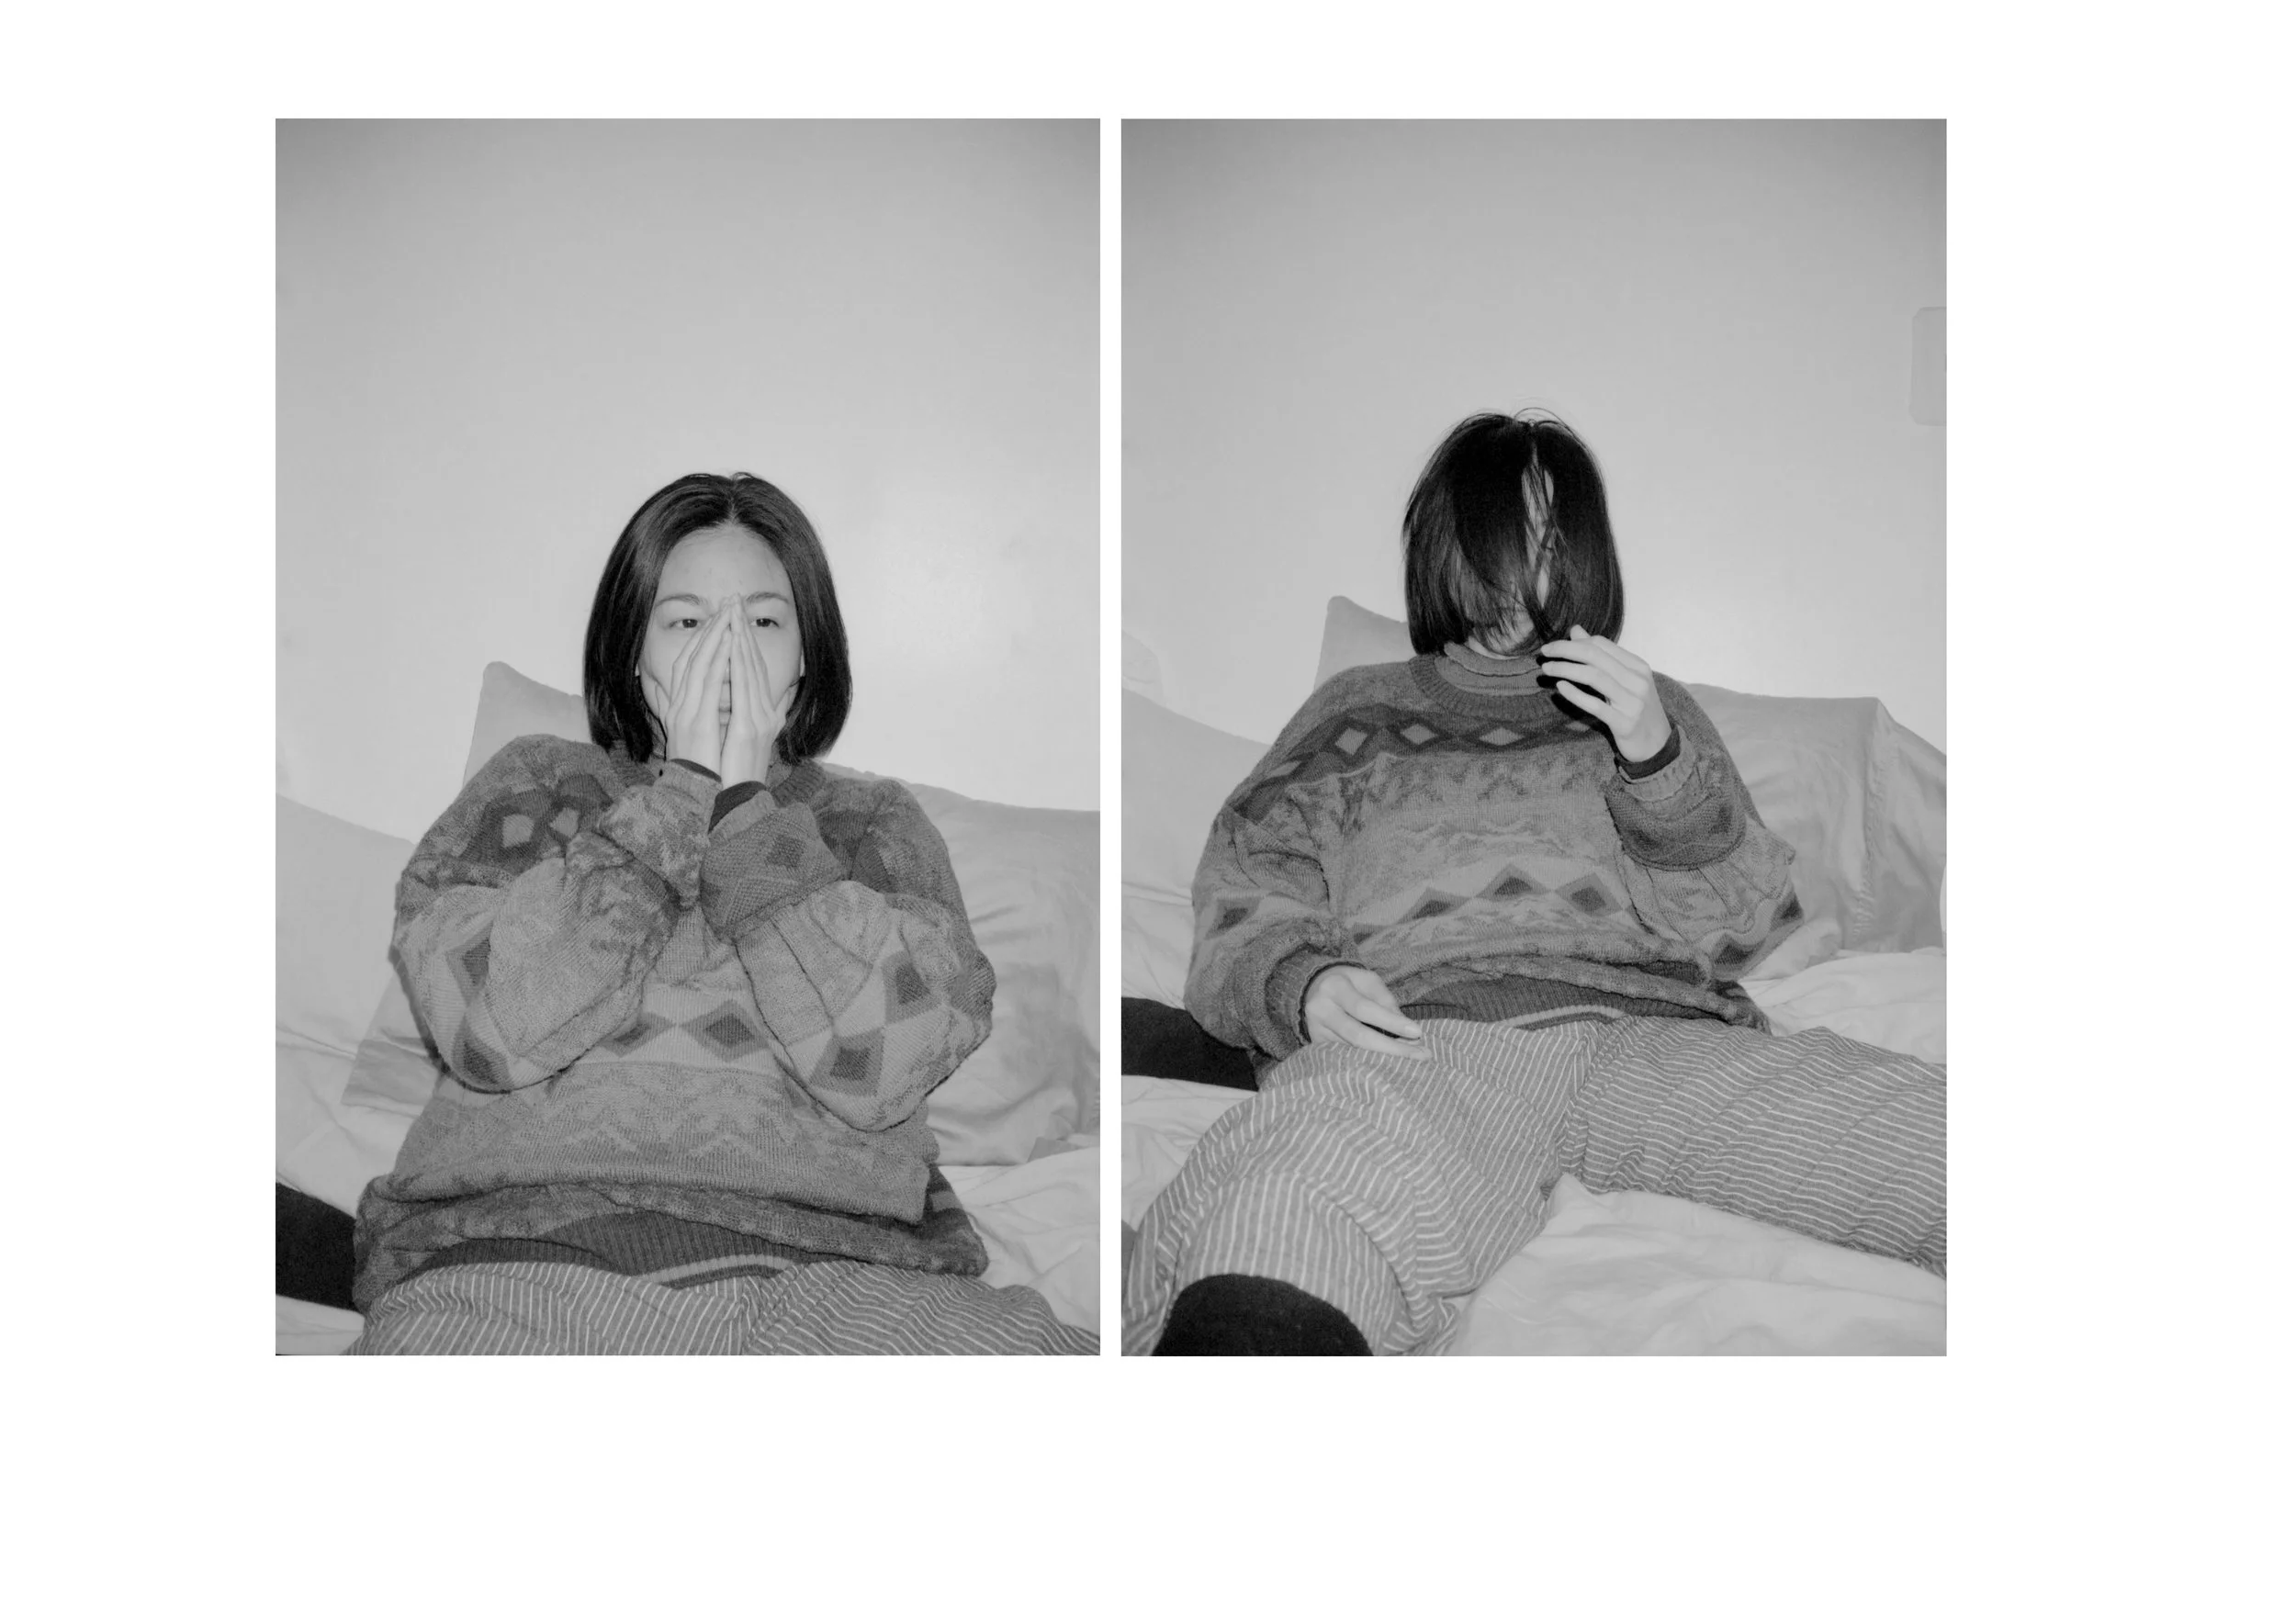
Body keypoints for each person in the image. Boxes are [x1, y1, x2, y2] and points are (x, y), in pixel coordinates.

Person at [1123, 412, 1945, 1355]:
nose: (1528, 572)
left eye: (1554, 542)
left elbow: (1741, 926)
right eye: (1502, 537)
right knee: (1290, 1204)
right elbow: (1247, 880)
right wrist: (1300, 979)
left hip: (1659, 1038)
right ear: (1447, 546)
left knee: (1926, 1135)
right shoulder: (1354, 714)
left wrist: (1657, 759)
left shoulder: (1648, 709)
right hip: (1429, 1044)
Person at [349, 472, 1093, 1354]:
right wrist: (680, 793)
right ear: (633, 648)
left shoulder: (872, 824)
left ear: (807, 654)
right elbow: (489, 1028)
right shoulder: (537, 786)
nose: (728, 652)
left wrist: (746, 813)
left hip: (839, 1274)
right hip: (522, 1258)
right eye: (688, 623)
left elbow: (887, 1065)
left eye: (764, 622)